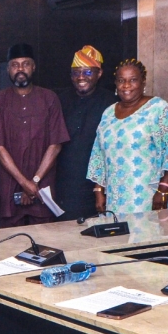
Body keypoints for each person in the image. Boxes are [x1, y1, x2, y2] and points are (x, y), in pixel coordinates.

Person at [0, 43, 70, 227]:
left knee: (44, 246)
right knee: (10, 246)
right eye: (15, 65)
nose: (20, 69)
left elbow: (56, 144)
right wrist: (24, 183)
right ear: (8, 69)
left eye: (25, 64)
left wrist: (34, 181)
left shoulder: (49, 99)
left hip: (42, 189)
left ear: (33, 67)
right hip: (10, 188)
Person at [87, 59, 168, 214]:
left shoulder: (159, 109)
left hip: (147, 196)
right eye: (121, 81)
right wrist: (98, 191)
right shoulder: (108, 113)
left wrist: (164, 189)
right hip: (114, 198)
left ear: (143, 82)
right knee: (116, 237)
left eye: (133, 80)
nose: (126, 86)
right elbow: (99, 154)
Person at [56, 45, 116, 221]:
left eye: (88, 72)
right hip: (65, 186)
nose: (81, 77)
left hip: (99, 187)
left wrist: (100, 189)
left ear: (99, 73)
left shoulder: (112, 103)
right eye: (76, 72)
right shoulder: (59, 101)